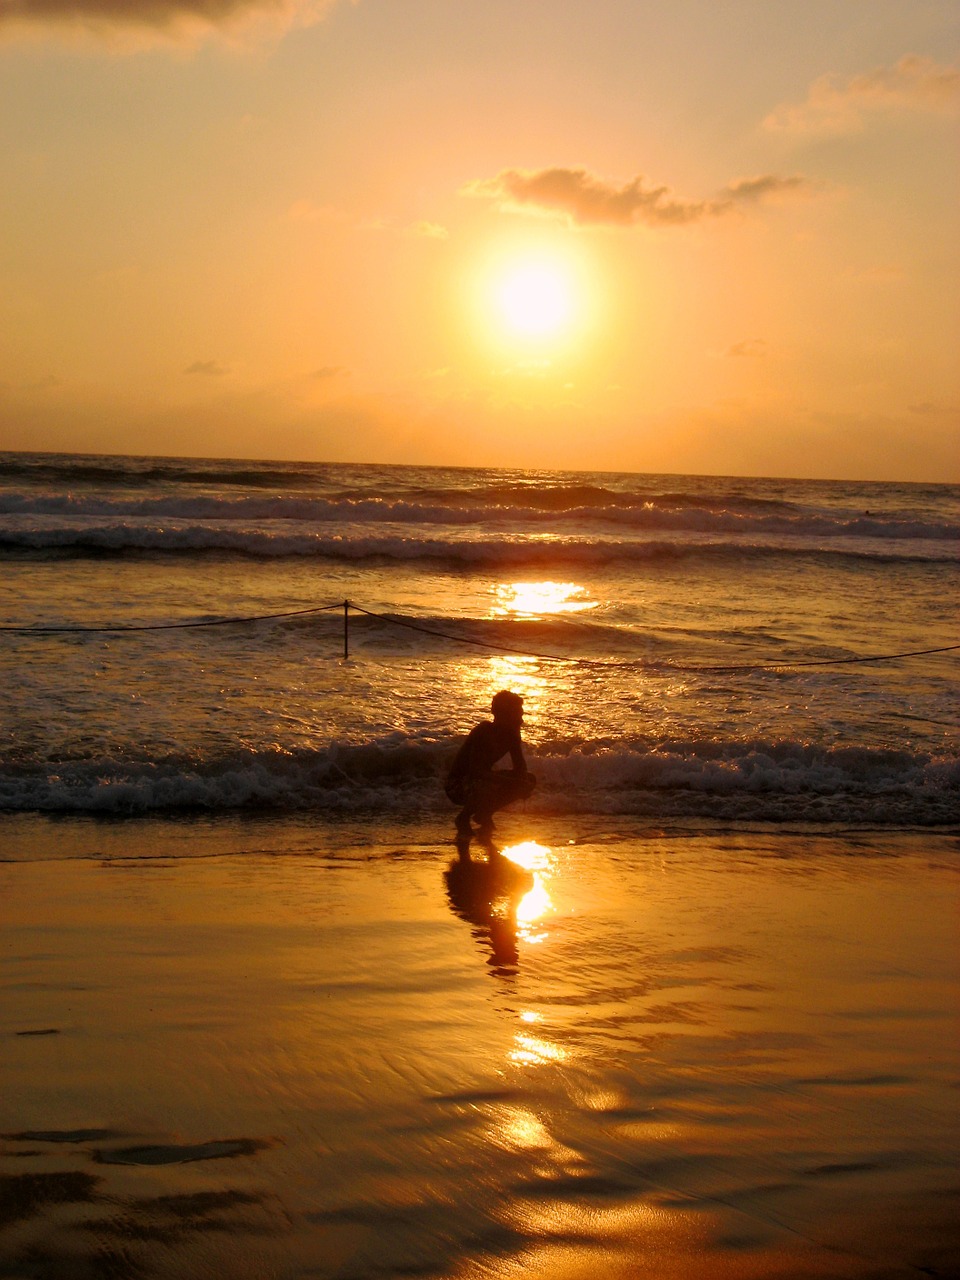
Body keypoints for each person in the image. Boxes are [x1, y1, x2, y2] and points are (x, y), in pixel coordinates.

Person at [445, 690, 536, 847]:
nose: (521, 720)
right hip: (458, 785)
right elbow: (475, 771)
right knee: (486, 784)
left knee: (529, 779)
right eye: (517, 714)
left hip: (481, 780)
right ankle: (463, 817)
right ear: (503, 715)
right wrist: (508, 781)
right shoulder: (484, 732)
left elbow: (519, 765)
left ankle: (484, 814)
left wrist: (521, 782)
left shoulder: (512, 734)